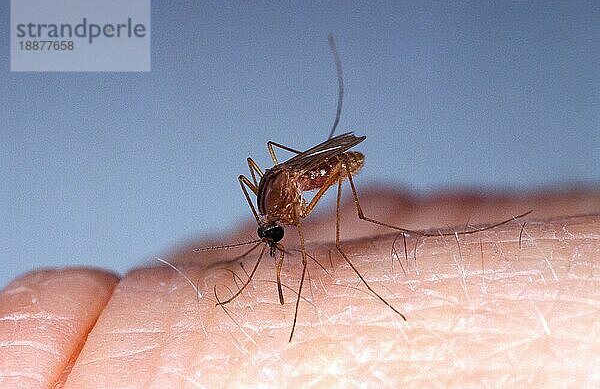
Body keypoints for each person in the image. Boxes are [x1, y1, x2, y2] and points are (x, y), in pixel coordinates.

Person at [1, 188, 598, 387]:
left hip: (300, 183)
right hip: (283, 195)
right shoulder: (272, 220)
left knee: (361, 218)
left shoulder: (281, 210)